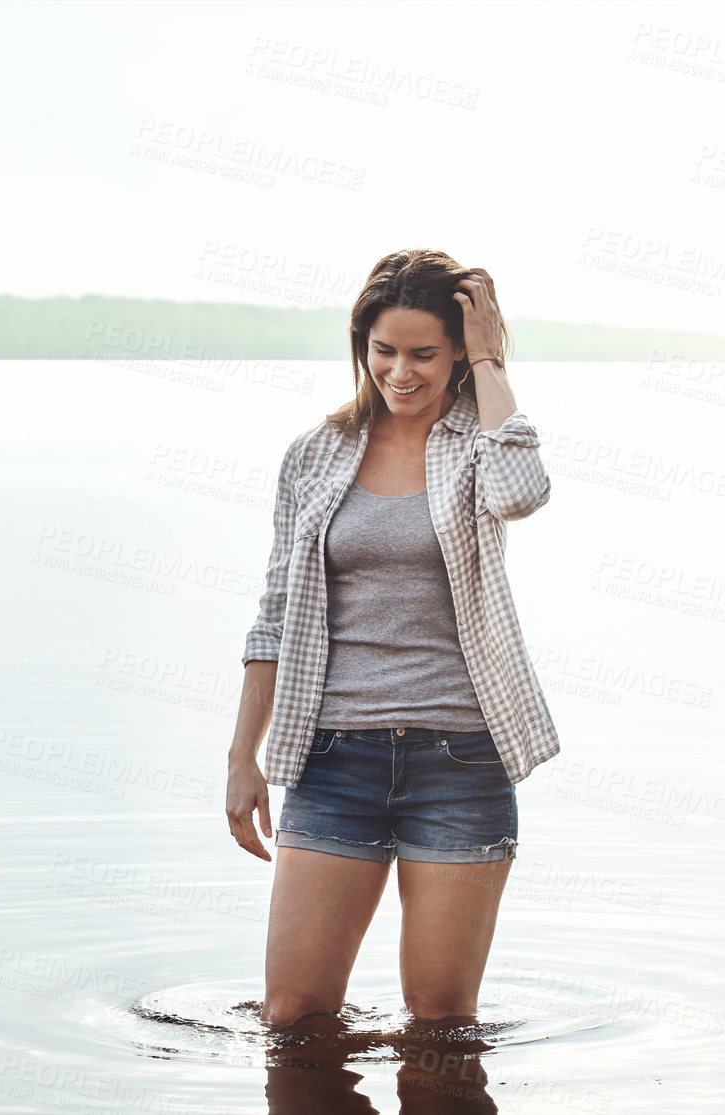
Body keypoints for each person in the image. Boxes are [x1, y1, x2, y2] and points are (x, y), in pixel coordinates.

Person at [225, 248, 562, 1031]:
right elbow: (274, 611)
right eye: (384, 351)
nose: (401, 372)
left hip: (460, 760)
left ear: (457, 356)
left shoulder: (477, 446)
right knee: (292, 1015)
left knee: (441, 1022)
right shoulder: (314, 454)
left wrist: (490, 360)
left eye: (424, 354)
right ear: (360, 348)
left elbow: (524, 492)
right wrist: (245, 755)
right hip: (333, 757)